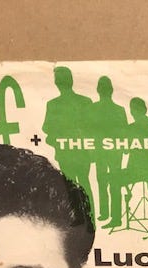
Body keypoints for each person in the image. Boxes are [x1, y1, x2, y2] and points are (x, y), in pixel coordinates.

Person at [42, 66, 96, 223]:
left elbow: (46, 127)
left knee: (71, 184)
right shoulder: (83, 101)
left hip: (71, 149)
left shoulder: (55, 104)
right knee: (81, 183)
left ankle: (80, 217)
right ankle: (87, 217)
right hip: (75, 149)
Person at [116, 98, 148, 235]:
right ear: (145, 110)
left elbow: (125, 151)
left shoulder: (129, 129)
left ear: (132, 112)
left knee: (115, 182)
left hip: (134, 171)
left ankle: (118, 218)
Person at [90, 76, 128, 229]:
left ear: (98, 90)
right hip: (113, 152)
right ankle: (112, 215)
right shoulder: (119, 110)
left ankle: (109, 215)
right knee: (113, 183)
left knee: (103, 182)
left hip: (103, 151)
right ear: (111, 90)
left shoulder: (94, 108)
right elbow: (124, 132)